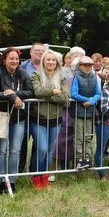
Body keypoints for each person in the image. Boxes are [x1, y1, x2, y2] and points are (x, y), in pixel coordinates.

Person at [0, 48, 33, 194]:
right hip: (2, 116)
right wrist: (12, 97)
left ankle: (12, 181)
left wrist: (15, 93)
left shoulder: (23, 73)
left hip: (19, 117)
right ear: (5, 59)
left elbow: (30, 91)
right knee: (2, 150)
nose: (14, 61)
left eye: (16, 59)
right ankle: (1, 181)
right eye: (11, 58)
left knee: (15, 150)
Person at [29, 49, 69, 189]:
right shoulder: (36, 75)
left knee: (51, 150)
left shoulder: (61, 77)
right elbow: (37, 92)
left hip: (55, 119)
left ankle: (44, 177)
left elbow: (65, 97)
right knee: (42, 149)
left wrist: (47, 95)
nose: (51, 62)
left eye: (53, 60)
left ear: (57, 62)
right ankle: (36, 176)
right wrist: (54, 91)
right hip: (38, 118)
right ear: (43, 61)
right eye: (48, 59)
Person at [70, 55, 100, 170]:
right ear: (80, 66)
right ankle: (79, 160)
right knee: (79, 137)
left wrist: (92, 101)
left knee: (88, 136)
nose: (88, 67)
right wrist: (86, 100)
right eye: (85, 65)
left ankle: (87, 159)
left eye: (90, 65)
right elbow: (74, 93)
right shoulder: (76, 77)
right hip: (79, 111)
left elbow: (98, 93)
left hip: (90, 111)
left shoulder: (94, 76)